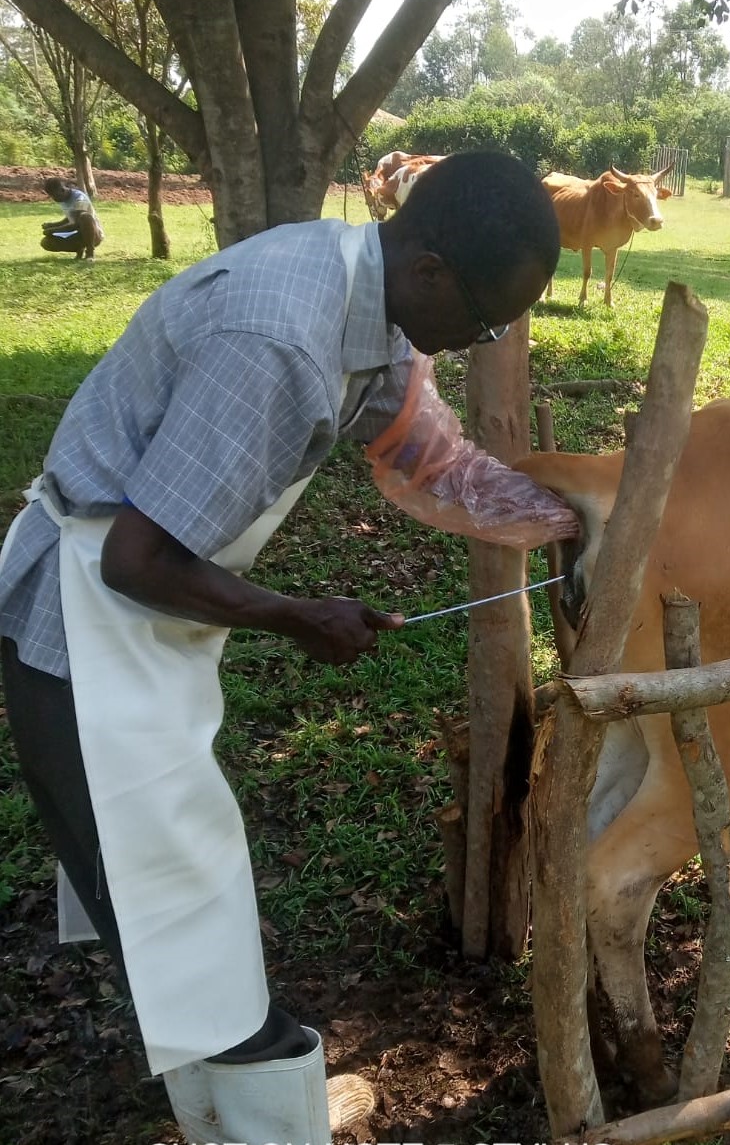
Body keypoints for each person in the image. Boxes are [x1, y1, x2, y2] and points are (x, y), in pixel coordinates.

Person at [0, 151, 564, 1145]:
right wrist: (295, 615)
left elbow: (421, 451)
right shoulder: (283, 343)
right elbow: (138, 557)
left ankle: (231, 1115)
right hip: (83, 625)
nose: (483, 342)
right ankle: (269, 1118)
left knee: (172, 904)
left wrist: (559, 516)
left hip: (135, 616)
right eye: (483, 322)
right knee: (177, 909)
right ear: (431, 266)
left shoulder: (370, 297)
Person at [40, 176, 103, 260]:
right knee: (46, 242)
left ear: (62, 190)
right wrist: (51, 225)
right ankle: (79, 249)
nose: (54, 199)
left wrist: (53, 230)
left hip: (93, 235)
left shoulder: (79, 198)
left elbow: (75, 224)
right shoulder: (64, 199)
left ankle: (90, 252)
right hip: (77, 235)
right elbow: (70, 219)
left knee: (85, 217)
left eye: (55, 196)